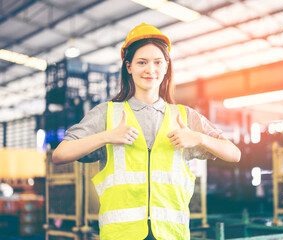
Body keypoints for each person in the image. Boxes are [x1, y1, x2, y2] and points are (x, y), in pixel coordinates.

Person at [52, 23, 241, 240]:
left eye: (158, 62)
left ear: (167, 67)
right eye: (142, 62)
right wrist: (107, 136)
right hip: (120, 235)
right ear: (129, 66)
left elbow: (234, 154)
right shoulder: (107, 113)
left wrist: (198, 137)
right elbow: (60, 155)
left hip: (172, 235)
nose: (150, 70)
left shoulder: (185, 117)